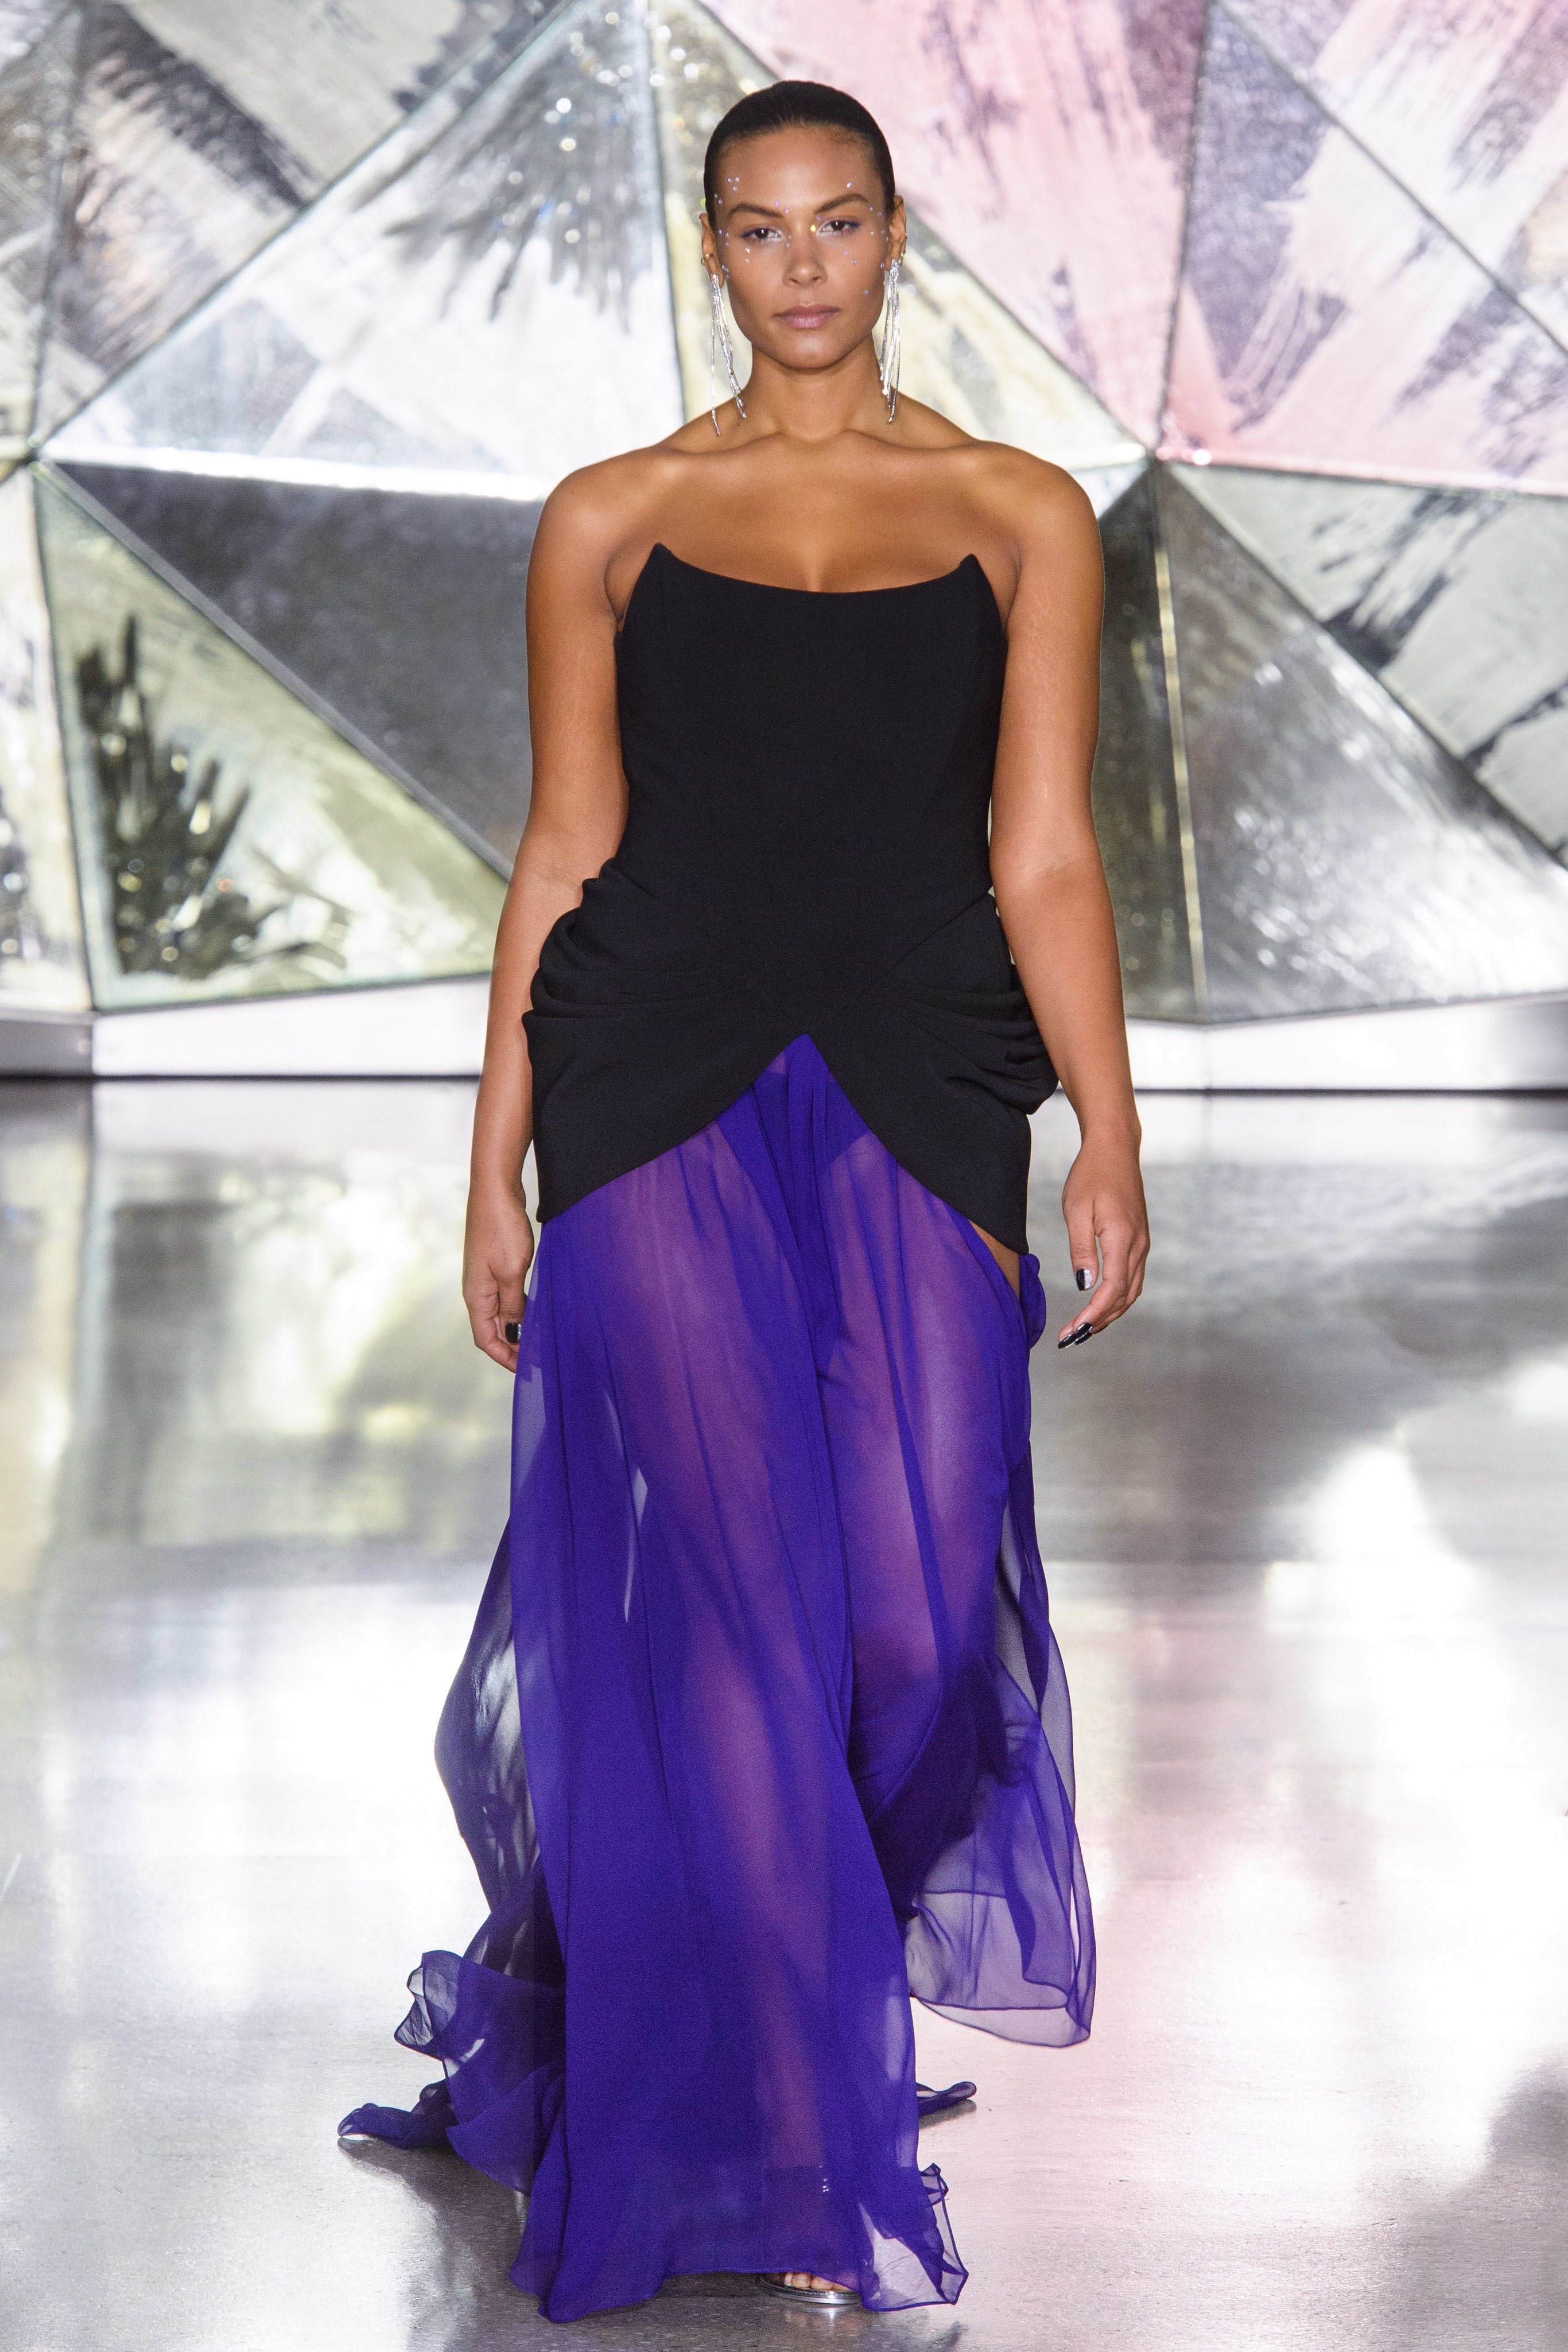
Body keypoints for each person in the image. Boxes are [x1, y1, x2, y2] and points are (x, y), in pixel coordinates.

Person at [341, 79, 1148, 2323]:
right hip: (651, 1078)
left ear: (896, 240)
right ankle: (782, 2126)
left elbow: (1043, 848)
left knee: (911, 1622)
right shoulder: (609, 519)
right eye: (760, 226)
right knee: (719, 1613)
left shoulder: (1017, 513)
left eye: (839, 220)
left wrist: (1106, 1123)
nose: (803, 262)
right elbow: (562, 844)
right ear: (710, 251)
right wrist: (492, 1158)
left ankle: (741, 1977)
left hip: (923, 1068)